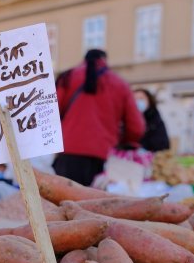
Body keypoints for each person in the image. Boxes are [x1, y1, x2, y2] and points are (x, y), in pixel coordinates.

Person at [53, 49, 145, 186]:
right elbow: (136, 127)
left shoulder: (67, 77)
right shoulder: (120, 84)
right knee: (96, 203)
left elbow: (51, 113)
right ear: (105, 60)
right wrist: (126, 142)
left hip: (68, 153)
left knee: (63, 202)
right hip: (102, 157)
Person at [133, 88, 170, 152]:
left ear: (149, 100)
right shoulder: (126, 121)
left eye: (141, 99)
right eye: (134, 99)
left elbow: (163, 145)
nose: (138, 102)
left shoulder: (156, 120)